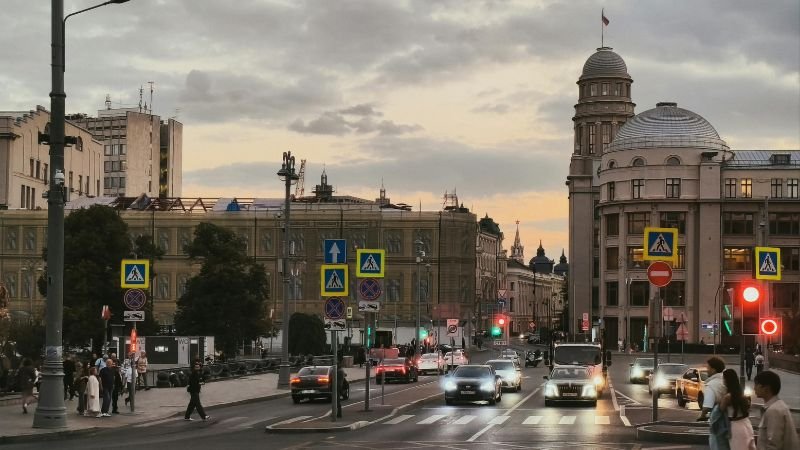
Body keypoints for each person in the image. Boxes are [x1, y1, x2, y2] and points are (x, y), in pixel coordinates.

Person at [753, 370, 800, 449]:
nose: (754, 388)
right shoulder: (779, 406)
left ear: (766, 388)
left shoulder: (774, 411)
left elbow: (773, 445)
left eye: (757, 384)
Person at [719, 368, 755, 450]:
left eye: (724, 379)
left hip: (736, 426)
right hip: (746, 423)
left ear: (727, 380)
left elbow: (721, 409)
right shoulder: (741, 393)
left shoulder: (728, 397)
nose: (723, 381)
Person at [698, 356, 727, 421]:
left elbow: (707, 407)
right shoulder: (727, 380)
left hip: (718, 420)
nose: (706, 370)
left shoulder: (711, 385)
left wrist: (702, 416)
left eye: (708, 368)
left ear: (713, 370)